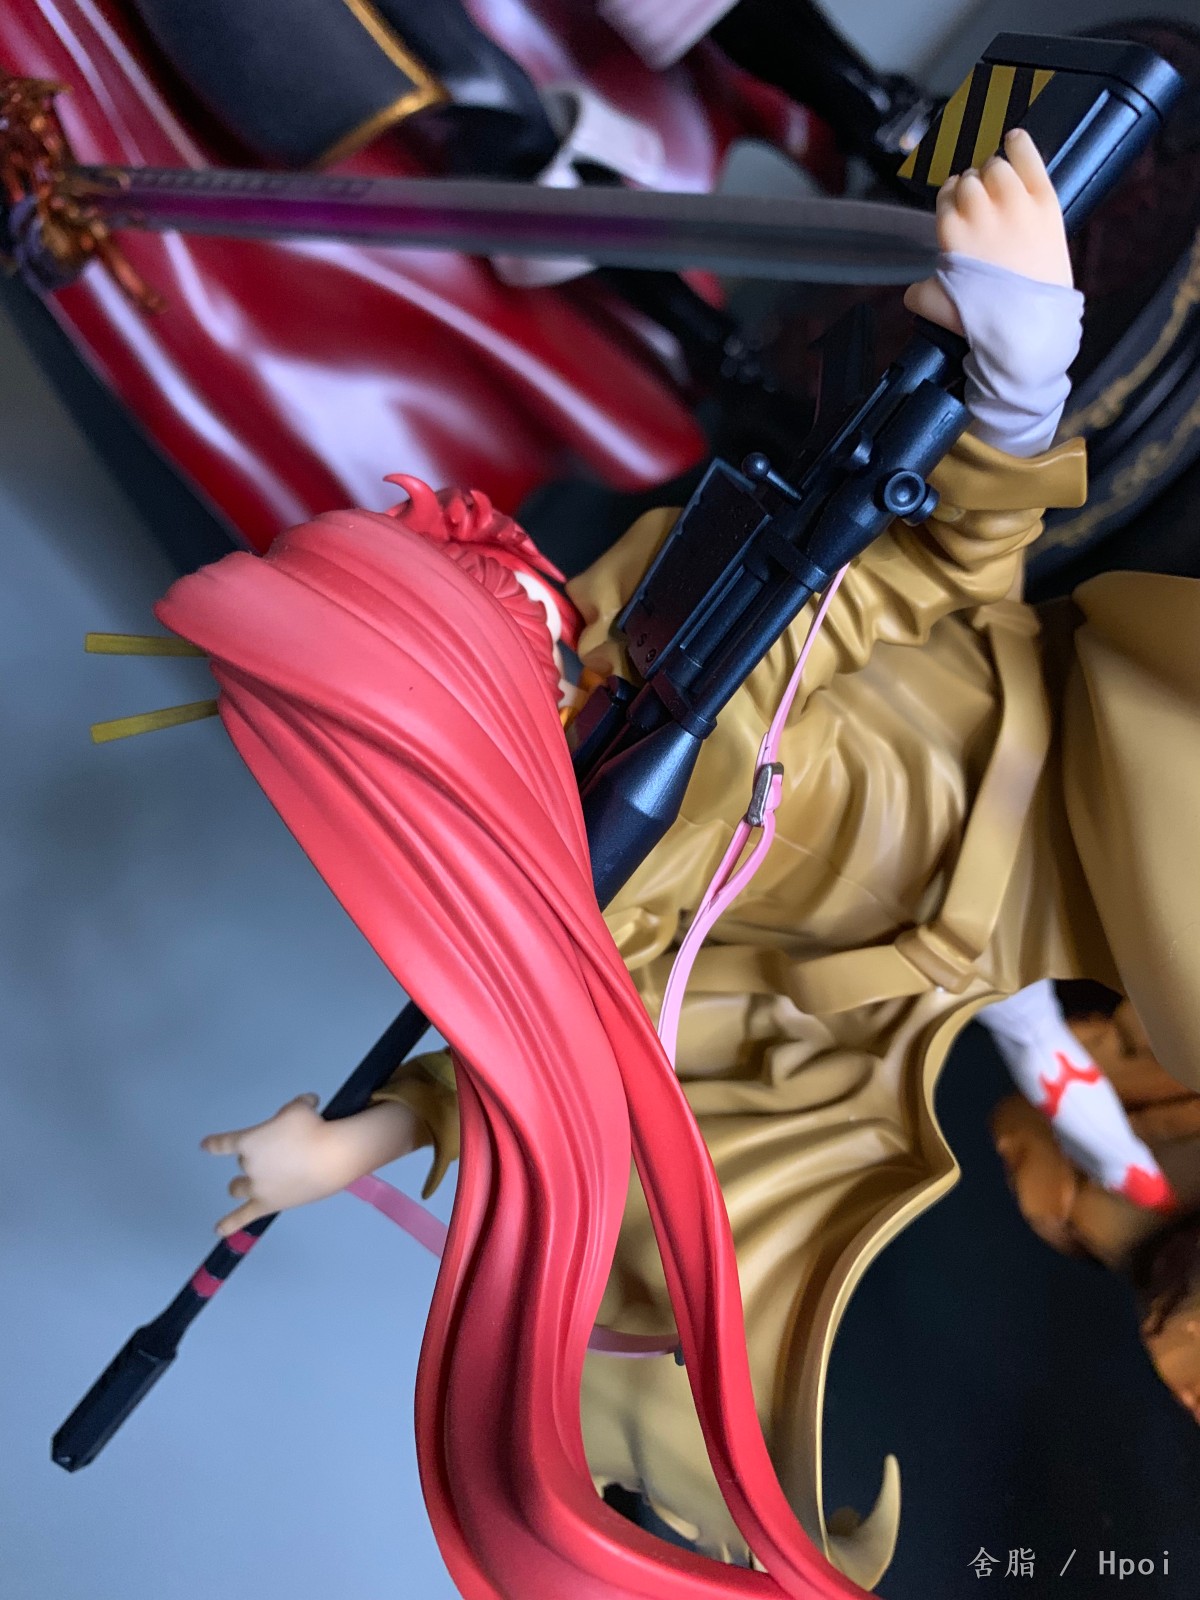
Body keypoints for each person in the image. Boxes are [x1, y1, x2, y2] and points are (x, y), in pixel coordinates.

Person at [160, 131, 1200, 1590]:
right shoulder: (597, 848)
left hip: (1043, 803)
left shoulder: (669, 639)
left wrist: (1020, 371)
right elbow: (555, 1061)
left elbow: (930, 565)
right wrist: (351, 1144)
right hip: (928, 941)